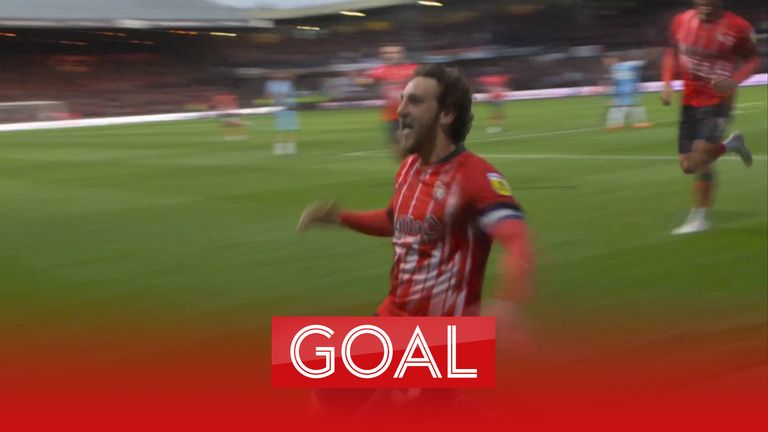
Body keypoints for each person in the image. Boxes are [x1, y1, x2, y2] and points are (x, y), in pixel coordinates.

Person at [297, 64, 535, 416]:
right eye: (403, 99)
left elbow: (517, 239)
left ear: (446, 114)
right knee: (329, 391)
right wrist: (340, 217)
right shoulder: (409, 169)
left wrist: (509, 302)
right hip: (392, 318)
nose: (400, 108)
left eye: (414, 101)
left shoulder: (477, 177)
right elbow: (396, 222)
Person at [662, 0, 758, 235]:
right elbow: (672, 52)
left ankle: (700, 217)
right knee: (687, 166)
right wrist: (666, 83)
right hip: (690, 100)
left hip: (718, 101)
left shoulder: (738, 27)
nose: (704, 4)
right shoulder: (681, 21)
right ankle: (731, 145)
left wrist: (732, 81)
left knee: (699, 160)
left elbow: (753, 59)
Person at [604, 56, 651, 130]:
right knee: (631, 106)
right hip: (628, 91)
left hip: (624, 91)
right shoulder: (624, 67)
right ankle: (636, 121)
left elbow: (614, 82)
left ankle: (617, 123)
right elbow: (641, 64)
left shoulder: (616, 68)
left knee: (623, 107)